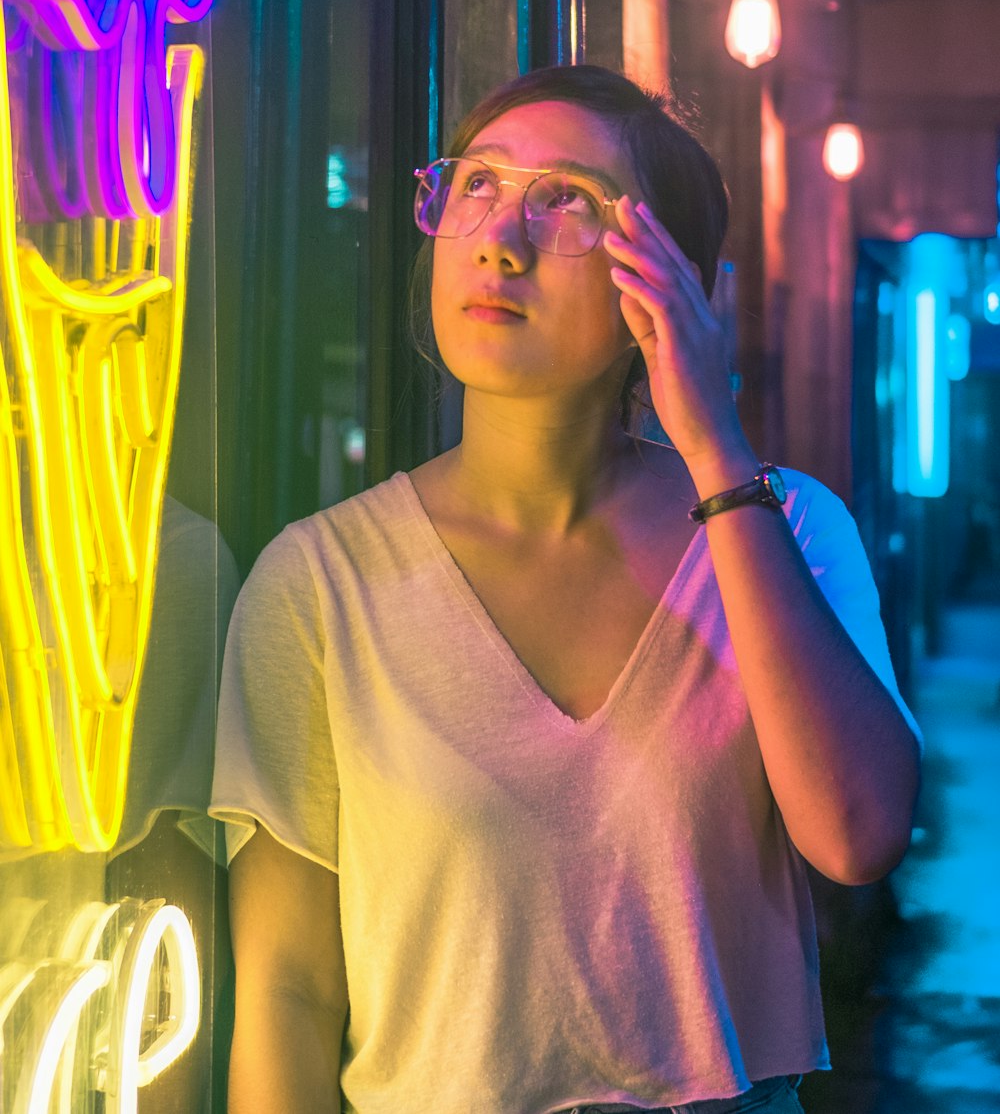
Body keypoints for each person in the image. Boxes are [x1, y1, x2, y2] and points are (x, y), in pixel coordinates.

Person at [210, 64, 922, 1114]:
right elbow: (289, 992)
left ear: (669, 278)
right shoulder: (322, 585)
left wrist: (719, 455)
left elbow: (857, 835)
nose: (502, 236)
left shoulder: (783, 530)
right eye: (479, 184)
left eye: (567, 202)